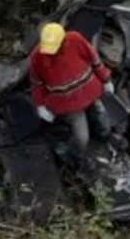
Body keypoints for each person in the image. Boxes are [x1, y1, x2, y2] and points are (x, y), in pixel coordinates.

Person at [28, 23, 113, 155]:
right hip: (68, 104)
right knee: (82, 138)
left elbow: (94, 59)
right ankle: (73, 154)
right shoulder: (37, 57)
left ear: (63, 40)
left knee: (103, 121)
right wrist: (41, 106)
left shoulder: (75, 39)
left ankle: (105, 139)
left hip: (90, 91)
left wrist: (106, 79)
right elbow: (36, 83)